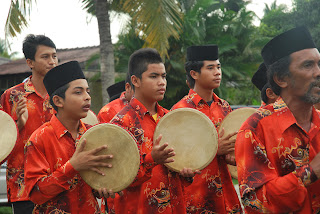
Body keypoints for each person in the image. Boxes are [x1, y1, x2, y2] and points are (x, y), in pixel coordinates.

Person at [235, 26, 320, 213]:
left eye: (319, 64)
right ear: (281, 79)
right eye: (308, 65)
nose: (318, 72)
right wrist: (311, 171)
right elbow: (256, 203)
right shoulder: (254, 129)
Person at [110, 48, 198, 214]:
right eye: (154, 76)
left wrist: (186, 172)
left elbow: (179, 162)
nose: (162, 82)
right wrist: (152, 159)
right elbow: (118, 178)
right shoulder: (121, 123)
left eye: (163, 76)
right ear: (135, 80)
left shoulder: (171, 117)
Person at [24, 61, 115, 213]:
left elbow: (97, 180)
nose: (87, 97)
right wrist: (73, 166)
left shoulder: (93, 133)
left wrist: (102, 188)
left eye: (88, 91)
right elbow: (36, 194)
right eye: (78, 92)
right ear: (58, 101)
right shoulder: (39, 139)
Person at [171, 45, 242, 213]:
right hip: (197, 195)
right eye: (210, 68)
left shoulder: (224, 107)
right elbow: (178, 155)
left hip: (226, 193)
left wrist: (233, 155)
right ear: (194, 74)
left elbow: (229, 149)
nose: (217, 72)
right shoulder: (180, 111)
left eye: (218, 67)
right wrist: (215, 149)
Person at [0, 34, 57, 214]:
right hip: (25, 188)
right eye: (45, 57)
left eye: (54, 56)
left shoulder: (64, 94)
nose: (52, 61)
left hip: (61, 183)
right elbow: (2, 145)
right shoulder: (11, 96)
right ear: (30, 62)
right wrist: (19, 124)